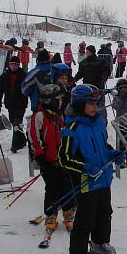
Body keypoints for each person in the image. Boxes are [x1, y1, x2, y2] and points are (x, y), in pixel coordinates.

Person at [59, 84, 126, 254]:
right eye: (90, 104)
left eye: (96, 103)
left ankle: (99, 243)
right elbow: (64, 158)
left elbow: (103, 146)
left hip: (103, 179)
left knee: (104, 213)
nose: (95, 107)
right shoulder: (72, 128)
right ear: (80, 105)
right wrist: (85, 168)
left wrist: (113, 154)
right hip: (86, 182)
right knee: (85, 218)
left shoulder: (97, 124)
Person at [29, 84, 75, 232]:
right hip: (48, 161)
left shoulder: (59, 116)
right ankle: (51, 215)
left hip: (62, 160)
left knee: (67, 187)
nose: (61, 102)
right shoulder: (39, 116)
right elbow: (34, 138)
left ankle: (69, 214)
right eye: (58, 100)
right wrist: (41, 158)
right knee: (52, 189)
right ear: (50, 100)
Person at [0, 56, 28, 153]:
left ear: (18, 65)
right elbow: (0, 89)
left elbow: (28, 88)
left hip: (21, 103)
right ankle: (22, 139)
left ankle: (15, 145)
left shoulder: (24, 75)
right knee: (14, 122)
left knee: (16, 122)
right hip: (10, 103)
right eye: (12, 64)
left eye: (15, 65)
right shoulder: (4, 76)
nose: (13, 66)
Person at [73, 45, 110, 125]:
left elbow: (107, 69)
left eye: (88, 51)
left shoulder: (100, 61)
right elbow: (80, 73)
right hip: (87, 88)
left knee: (100, 105)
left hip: (98, 87)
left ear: (92, 52)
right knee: (88, 105)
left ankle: (103, 122)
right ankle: (89, 120)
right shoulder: (84, 62)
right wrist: (74, 79)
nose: (86, 52)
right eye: (86, 51)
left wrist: (106, 74)